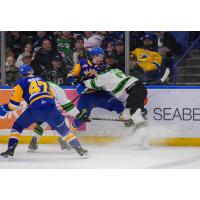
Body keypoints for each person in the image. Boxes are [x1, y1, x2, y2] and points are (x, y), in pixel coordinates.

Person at [0, 64, 88, 158]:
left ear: (21, 74)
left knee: (18, 125)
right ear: (31, 71)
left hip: (35, 108)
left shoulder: (20, 82)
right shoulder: (42, 80)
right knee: (64, 130)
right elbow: (52, 97)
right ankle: (80, 150)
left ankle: (10, 149)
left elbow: (13, 105)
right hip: (51, 107)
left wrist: (4, 108)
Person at [67, 47, 124, 133]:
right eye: (100, 56)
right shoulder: (82, 63)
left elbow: (108, 82)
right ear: (93, 56)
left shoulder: (103, 67)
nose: (102, 58)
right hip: (87, 95)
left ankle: (130, 127)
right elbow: (70, 76)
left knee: (119, 106)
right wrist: (77, 83)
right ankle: (68, 135)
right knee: (82, 116)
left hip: (101, 94)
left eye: (102, 56)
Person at [28, 81, 89, 152]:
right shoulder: (55, 87)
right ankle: (64, 142)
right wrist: (78, 115)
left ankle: (33, 142)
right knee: (64, 122)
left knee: (41, 123)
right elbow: (65, 103)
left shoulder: (35, 86)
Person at [84, 67, 148, 127]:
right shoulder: (116, 70)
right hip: (139, 87)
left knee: (135, 114)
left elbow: (91, 84)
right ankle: (138, 124)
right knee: (126, 114)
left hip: (134, 91)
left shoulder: (102, 77)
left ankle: (141, 131)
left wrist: (83, 80)